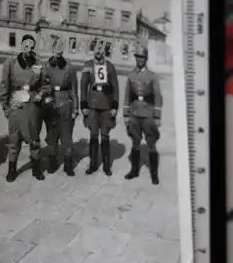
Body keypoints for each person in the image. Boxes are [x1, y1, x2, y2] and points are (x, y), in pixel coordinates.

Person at [0, 34, 52, 182]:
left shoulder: (38, 64)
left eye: (31, 46)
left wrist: (40, 94)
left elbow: (46, 85)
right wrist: (5, 106)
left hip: (33, 106)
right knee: (14, 138)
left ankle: (36, 168)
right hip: (16, 102)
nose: (28, 49)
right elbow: (4, 85)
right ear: (21, 46)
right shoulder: (11, 62)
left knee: (34, 138)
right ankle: (12, 169)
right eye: (26, 46)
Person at [123, 43, 163, 185]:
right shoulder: (131, 74)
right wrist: (126, 114)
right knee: (135, 141)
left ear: (146, 59)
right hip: (134, 112)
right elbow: (127, 95)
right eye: (137, 57)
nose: (139, 59)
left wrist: (157, 116)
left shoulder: (152, 76)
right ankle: (134, 170)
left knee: (151, 143)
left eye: (142, 57)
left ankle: (154, 173)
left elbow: (158, 96)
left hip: (148, 113)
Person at [80, 40, 119, 176]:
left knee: (105, 135)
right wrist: (83, 104)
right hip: (92, 106)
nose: (98, 51)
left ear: (104, 51)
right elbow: (83, 86)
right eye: (96, 49)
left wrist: (115, 105)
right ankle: (93, 164)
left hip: (107, 105)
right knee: (93, 134)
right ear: (93, 50)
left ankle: (107, 166)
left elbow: (115, 87)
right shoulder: (88, 66)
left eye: (101, 49)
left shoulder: (110, 67)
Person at [42, 38, 79, 176]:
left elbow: (74, 90)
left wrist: (75, 108)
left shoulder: (69, 67)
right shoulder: (45, 66)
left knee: (66, 136)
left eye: (60, 49)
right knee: (51, 136)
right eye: (55, 49)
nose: (57, 52)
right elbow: (42, 86)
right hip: (51, 101)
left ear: (62, 50)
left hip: (65, 102)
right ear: (52, 50)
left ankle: (68, 165)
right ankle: (53, 163)